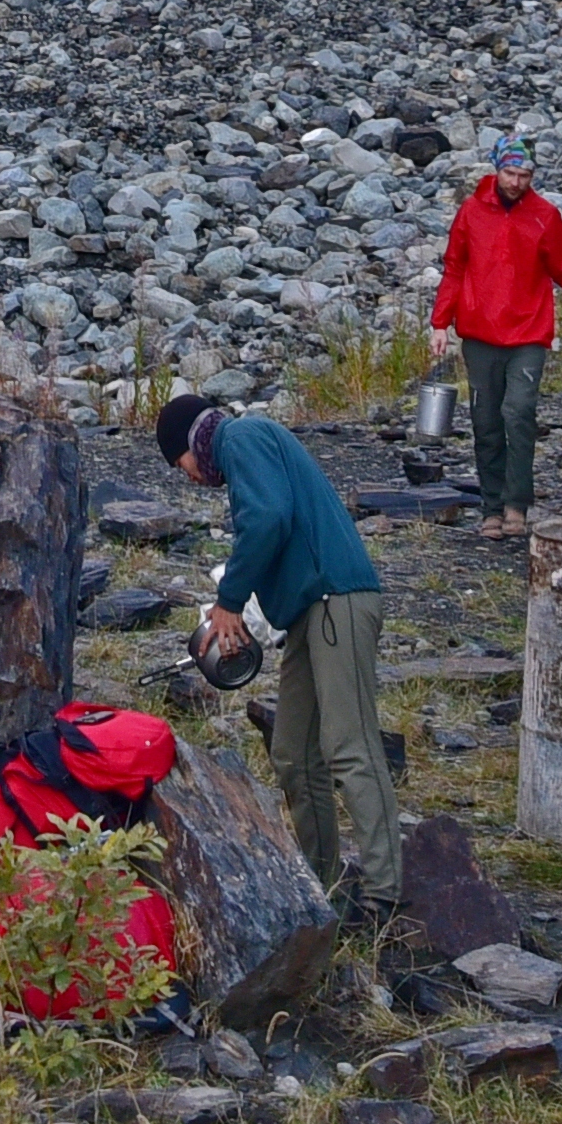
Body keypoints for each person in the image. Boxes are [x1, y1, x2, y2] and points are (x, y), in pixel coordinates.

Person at [156, 389, 397, 932]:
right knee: (292, 751)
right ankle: (322, 880)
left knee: (349, 744)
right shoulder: (246, 451)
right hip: (308, 614)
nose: (190, 478)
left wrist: (228, 603)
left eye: (181, 466)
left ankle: (385, 895)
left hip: (338, 599)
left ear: (192, 444)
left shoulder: (240, 437)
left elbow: (268, 519)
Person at [424, 132, 562, 527]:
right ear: (496, 169)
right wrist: (440, 324)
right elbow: (454, 268)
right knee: (485, 421)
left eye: (524, 175)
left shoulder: (544, 216)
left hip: (528, 335)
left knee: (518, 412)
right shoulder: (471, 212)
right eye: (510, 173)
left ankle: (517, 503)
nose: (516, 182)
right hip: (479, 334)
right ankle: (491, 507)